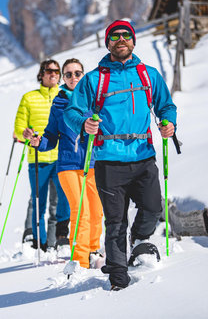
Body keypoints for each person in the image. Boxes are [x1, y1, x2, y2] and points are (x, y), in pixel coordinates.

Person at [63, 20, 177, 290]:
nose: (121, 39)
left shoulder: (148, 75)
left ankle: (139, 240)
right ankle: (118, 280)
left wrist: (168, 122)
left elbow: (166, 106)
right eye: (115, 36)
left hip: (143, 156)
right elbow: (71, 111)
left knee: (152, 208)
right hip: (108, 161)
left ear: (134, 41)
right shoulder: (94, 78)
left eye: (127, 35)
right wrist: (84, 123)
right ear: (108, 42)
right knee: (115, 223)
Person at [30, 58, 104, 268]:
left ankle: (93, 251)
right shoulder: (60, 103)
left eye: (77, 73)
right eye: (69, 74)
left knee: (97, 211)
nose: (73, 77)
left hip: (93, 163)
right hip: (68, 165)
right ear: (64, 78)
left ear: (84, 75)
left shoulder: (94, 99)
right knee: (81, 211)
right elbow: (51, 137)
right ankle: (80, 260)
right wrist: (39, 142)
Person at [14, 59, 71, 252]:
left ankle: (58, 240)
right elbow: (19, 127)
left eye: (56, 71)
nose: (53, 74)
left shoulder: (65, 96)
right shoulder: (29, 98)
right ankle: (39, 241)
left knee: (61, 200)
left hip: (61, 157)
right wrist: (25, 134)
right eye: (49, 70)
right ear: (42, 74)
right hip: (38, 158)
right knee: (38, 200)